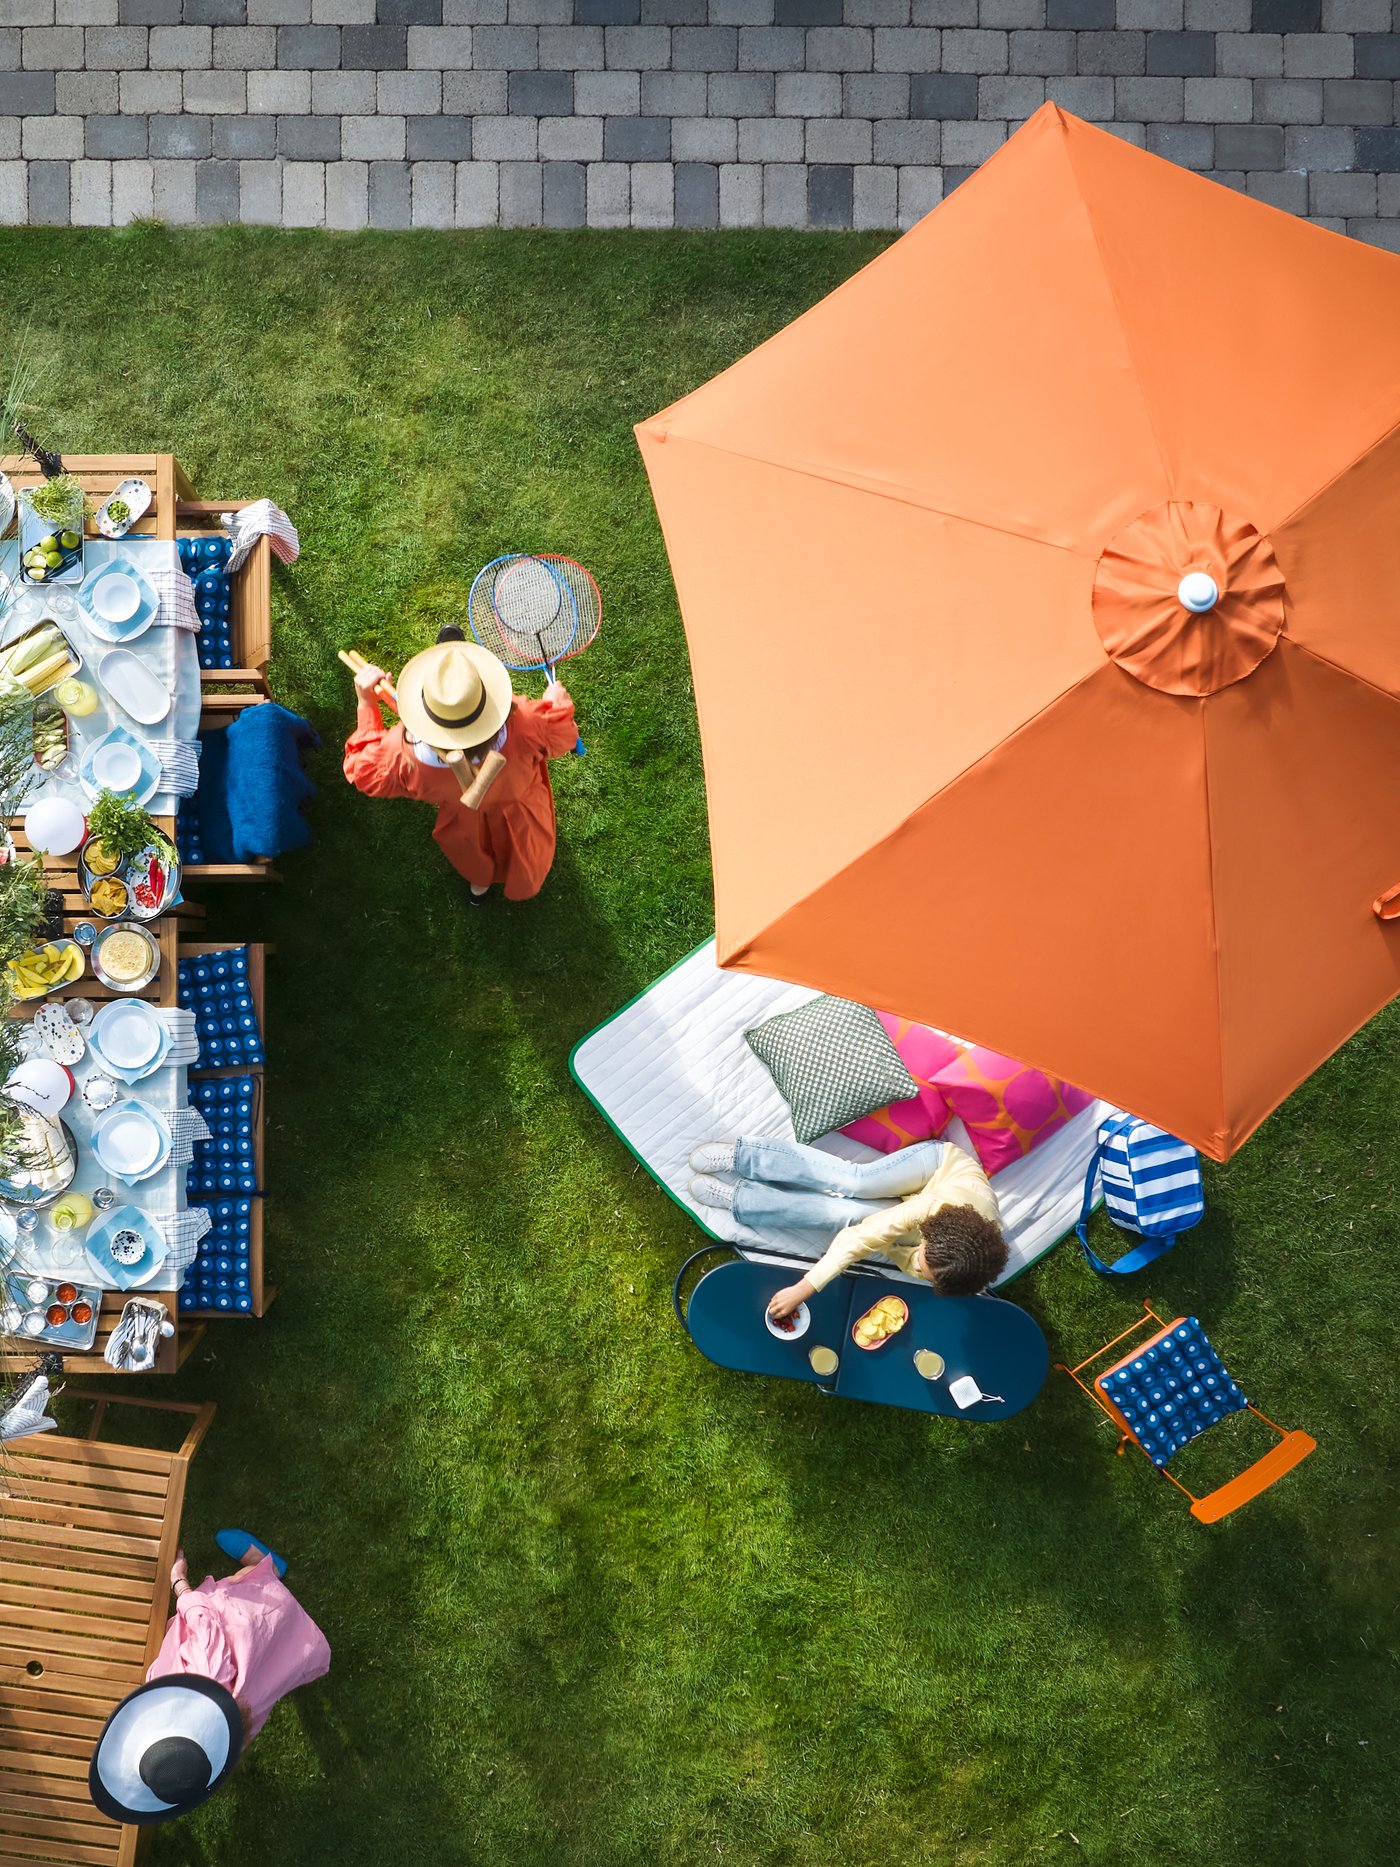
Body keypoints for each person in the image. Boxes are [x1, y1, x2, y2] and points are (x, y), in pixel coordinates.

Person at [88, 1530, 330, 1827]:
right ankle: (265, 1568)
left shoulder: (222, 1746)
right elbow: (206, 1626)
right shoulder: (206, 1673)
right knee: (242, 1591)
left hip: (249, 1680)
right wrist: (181, 1584)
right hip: (241, 1630)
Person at [343, 625, 578, 903]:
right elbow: (564, 738)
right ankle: (516, 880)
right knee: (525, 853)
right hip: (521, 812)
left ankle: (479, 887)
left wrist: (366, 703)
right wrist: (558, 705)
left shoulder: (401, 755)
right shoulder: (527, 725)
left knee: (474, 857)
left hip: (464, 823)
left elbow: (361, 771)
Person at [689, 1135, 1008, 1317]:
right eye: (923, 1261)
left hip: (923, 1219)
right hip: (937, 1170)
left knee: (847, 1214)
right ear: (934, 1235)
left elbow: (897, 1252)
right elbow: (860, 1239)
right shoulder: (943, 1208)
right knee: (854, 1181)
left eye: (926, 1273)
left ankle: (740, 1200)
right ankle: (744, 1157)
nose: (921, 1270)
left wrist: (902, 1252)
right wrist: (805, 1288)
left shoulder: (963, 1274)